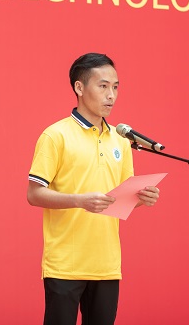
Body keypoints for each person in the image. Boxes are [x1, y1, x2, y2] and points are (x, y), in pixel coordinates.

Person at [27, 52, 160, 325]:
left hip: (107, 266)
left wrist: (142, 198)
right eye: (103, 86)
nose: (111, 95)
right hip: (65, 264)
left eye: (115, 87)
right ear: (79, 87)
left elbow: (120, 199)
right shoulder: (56, 135)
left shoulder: (121, 140)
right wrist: (79, 200)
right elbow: (34, 194)